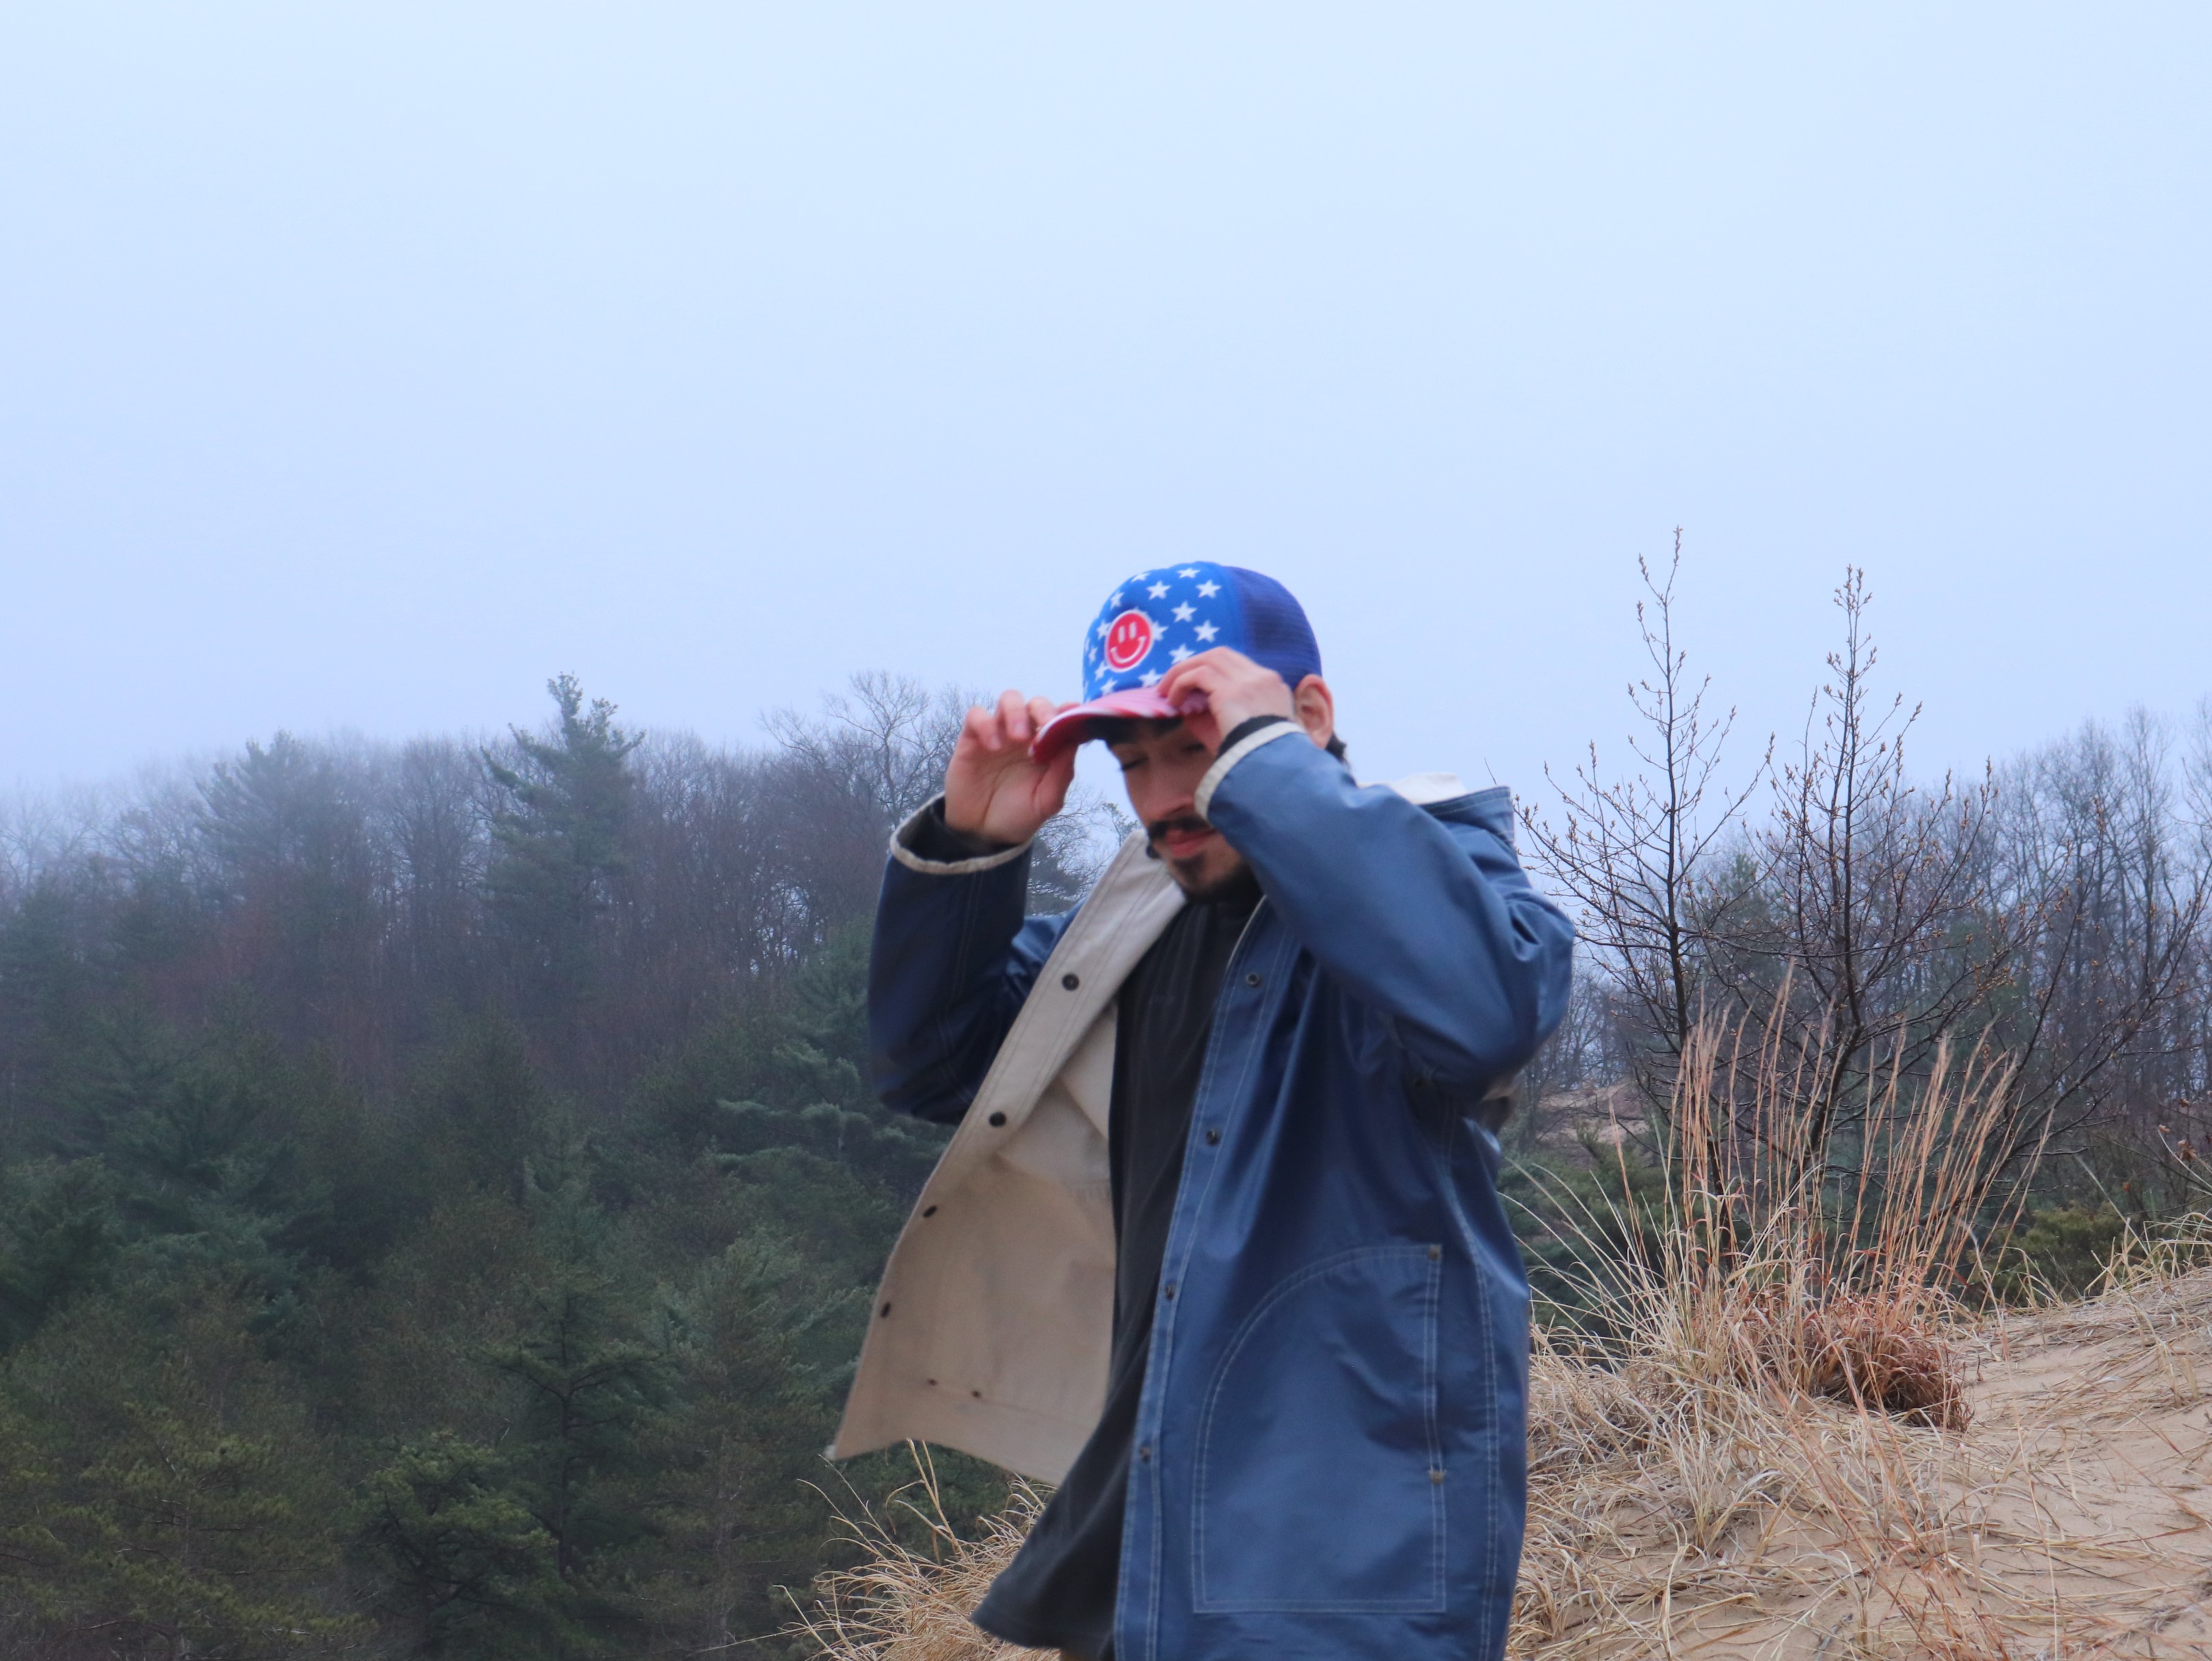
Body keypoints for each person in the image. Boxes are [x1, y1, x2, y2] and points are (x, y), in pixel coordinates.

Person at [831, 565, 1574, 1661]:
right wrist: (971, 851)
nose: (1161, 797)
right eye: (1131, 761)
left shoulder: (1432, 868)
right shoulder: (1131, 932)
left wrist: (1270, 775)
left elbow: (1486, 1004)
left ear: (1304, 719)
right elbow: (932, 1065)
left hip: (1341, 1568)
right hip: (1144, 1547)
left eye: (1194, 747)